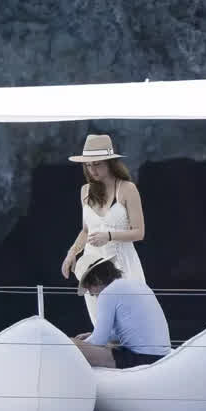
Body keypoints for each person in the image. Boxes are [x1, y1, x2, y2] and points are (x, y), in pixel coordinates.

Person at [61, 133, 146, 325]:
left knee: (129, 321)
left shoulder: (127, 189)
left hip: (122, 263)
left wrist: (109, 235)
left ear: (110, 163)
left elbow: (139, 232)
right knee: (101, 321)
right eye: (88, 165)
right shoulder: (85, 191)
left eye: (97, 164)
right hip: (93, 266)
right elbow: (86, 230)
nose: (93, 170)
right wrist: (72, 253)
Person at [72, 252, 171, 369]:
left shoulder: (107, 293)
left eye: (88, 287)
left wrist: (83, 342)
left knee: (71, 345)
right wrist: (91, 335)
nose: (91, 294)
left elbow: (99, 341)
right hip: (163, 355)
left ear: (96, 279)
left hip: (142, 358)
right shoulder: (137, 284)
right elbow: (128, 333)